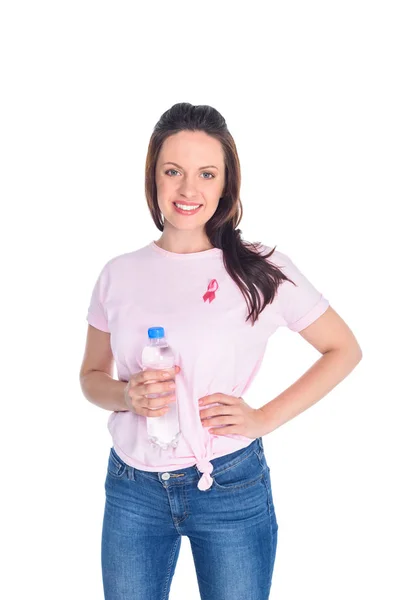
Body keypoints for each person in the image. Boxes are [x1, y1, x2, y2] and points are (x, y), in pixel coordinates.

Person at [79, 102, 362, 600]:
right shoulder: (117, 273)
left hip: (229, 483)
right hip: (132, 488)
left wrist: (263, 419)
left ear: (226, 184)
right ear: (154, 178)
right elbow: (90, 377)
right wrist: (128, 397)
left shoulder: (260, 268)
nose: (189, 190)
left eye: (206, 174)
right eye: (174, 172)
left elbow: (343, 349)